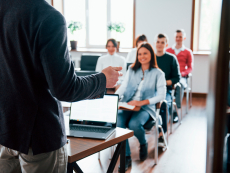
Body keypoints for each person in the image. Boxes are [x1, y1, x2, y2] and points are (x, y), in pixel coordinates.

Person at [0, 1, 121, 172]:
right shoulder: (48, 17)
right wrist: (102, 80)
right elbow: (65, 88)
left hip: (5, 130)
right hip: (39, 137)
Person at [115, 42, 166, 171]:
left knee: (134, 124)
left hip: (145, 108)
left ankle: (143, 143)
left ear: (151, 55)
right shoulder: (132, 70)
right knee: (118, 123)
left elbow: (161, 96)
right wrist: (114, 98)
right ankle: (126, 156)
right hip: (128, 104)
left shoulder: (158, 73)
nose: (142, 56)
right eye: (139, 54)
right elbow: (124, 87)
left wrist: (141, 102)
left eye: (145, 53)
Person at [155, 33, 181, 143]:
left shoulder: (171, 58)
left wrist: (163, 82)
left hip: (166, 90)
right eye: (158, 42)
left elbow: (177, 78)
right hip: (150, 90)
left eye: (162, 42)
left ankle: (162, 133)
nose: (160, 44)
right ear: (155, 43)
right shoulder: (151, 58)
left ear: (166, 44)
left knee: (164, 104)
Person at [166, 29, 193, 119]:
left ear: (184, 38)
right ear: (174, 38)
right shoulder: (168, 50)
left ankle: (175, 110)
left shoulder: (188, 52)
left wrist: (182, 73)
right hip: (169, 76)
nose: (178, 38)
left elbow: (190, 67)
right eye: (176, 37)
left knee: (179, 85)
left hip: (181, 77)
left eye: (180, 37)